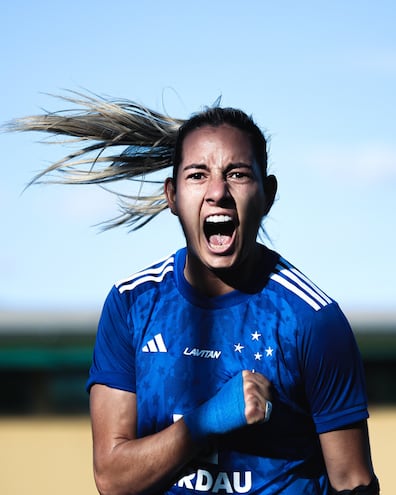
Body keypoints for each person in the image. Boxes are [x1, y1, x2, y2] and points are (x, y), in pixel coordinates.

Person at [8, 93, 379, 494]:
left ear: (268, 194)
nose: (217, 191)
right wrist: (206, 421)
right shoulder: (131, 305)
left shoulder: (313, 320)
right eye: (197, 175)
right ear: (172, 196)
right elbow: (112, 478)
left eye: (237, 174)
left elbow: (353, 482)